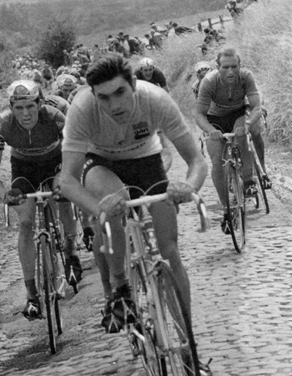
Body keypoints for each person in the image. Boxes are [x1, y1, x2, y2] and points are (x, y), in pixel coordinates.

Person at [57, 53, 208, 345]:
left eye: (120, 93)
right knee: (115, 201)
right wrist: (97, 208)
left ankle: (188, 346)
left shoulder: (155, 99)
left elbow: (197, 162)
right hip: (99, 161)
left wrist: (188, 188)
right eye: (104, 98)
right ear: (93, 95)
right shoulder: (83, 108)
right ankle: (119, 287)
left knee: (169, 251)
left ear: (134, 84)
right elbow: (66, 180)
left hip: (145, 159)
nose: (114, 105)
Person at [0, 80, 83, 320]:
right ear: (11, 108)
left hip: (55, 164)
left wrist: (68, 181)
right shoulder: (2, 124)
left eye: (30, 106)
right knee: (26, 223)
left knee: (62, 196)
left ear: (39, 103)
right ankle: (31, 294)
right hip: (23, 169)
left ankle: (71, 252)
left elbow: (75, 152)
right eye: (19, 108)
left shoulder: (55, 117)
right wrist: (4, 194)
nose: (25, 113)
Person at [194, 47, 270, 234]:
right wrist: (211, 131)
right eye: (225, 67)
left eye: (234, 67)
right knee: (217, 163)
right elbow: (199, 115)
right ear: (217, 67)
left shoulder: (246, 77)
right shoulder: (209, 82)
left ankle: (249, 180)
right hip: (214, 119)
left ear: (239, 66)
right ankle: (227, 211)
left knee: (242, 132)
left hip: (238, 114)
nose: (230, 71)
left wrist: (249, 123)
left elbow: (257, 107)